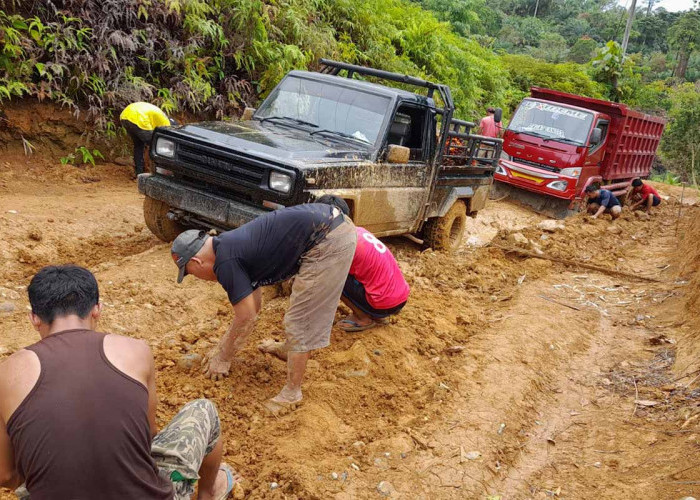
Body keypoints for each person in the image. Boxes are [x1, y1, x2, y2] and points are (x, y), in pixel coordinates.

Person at [0, 265, 239, 500]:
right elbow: (148, 435)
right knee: (203, 410)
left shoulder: (7, 373)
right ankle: (208, 493)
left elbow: (5, 475)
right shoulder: (135, 351)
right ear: (97, 310)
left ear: (34, 318)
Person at [171, 203, 356, 414]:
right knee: (297, 311)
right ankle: (289, 350)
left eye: (191, 272)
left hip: (328, 238)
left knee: (300, 320)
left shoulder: (226, 261)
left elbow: (246, 316)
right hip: (329, 227)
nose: (197, 278)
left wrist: (223, 357)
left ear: (196, 261)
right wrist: (224, 348)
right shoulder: (230, 246)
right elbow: (254, 307)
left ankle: (291, 393)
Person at [315, 195, 410, 332]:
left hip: (384, 304)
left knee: (330, 276)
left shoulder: (340, 242)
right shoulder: (359, 231)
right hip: (399, 298)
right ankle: (376, 314)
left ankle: (362, 318)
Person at [120, 102, 175, 177]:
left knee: (139, 145)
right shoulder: (167, 124)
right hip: (139, 118)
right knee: (155, 147)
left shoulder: (160, 117)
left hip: (125, 116)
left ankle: (139, 172)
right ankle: (156, 171)